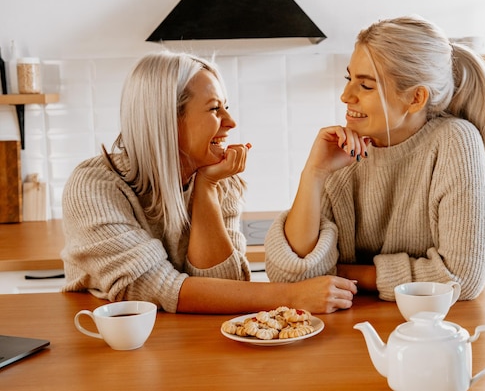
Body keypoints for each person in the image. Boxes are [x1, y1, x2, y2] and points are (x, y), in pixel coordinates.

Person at [61, 51, 357, 314]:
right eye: (215, 109)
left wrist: (207, 188)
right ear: (166, 119)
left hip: (189, 343)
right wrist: (290, 297)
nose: (230, 122)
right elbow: (154, 287)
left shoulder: (218, 179)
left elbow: (225, 288)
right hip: (110, 349)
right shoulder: (95, 185)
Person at [265, 15, 485, 301]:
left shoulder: (454, 142)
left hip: (435, 333)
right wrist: (314, 173)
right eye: (349, 79)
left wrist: (342, 274)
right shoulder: (343, 154)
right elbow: (289, 277)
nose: (346, 96)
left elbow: (460, 279)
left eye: (366, 85)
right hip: (353, 330)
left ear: (415, 98)